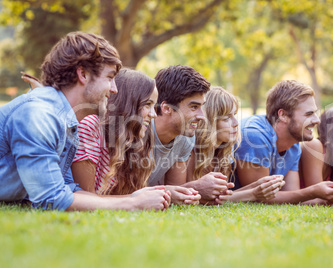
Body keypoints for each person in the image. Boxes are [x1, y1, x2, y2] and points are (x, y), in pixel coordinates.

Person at [0, 32, 170, 211]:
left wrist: (134, 196)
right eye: (110, 78)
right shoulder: (40, 115)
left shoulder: (66, 123)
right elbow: (51, 199)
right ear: (83, 74)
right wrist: (133, 204)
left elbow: (69, 190)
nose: (115, 89)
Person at [70, 68, 197, 205]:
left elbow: (130, 195)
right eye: (148, 105)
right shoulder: (92, 127)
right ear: (128, 103)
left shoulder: (136, 139)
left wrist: (163, 192)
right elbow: (86, 197)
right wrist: (135, 200)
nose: (153, 114)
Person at [234, 80, 333, 205]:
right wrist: (313, 191)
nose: (317, 120)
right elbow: (260, 197)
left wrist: (331, 201)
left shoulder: (293, 145)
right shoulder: (255, 136)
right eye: (309, 114)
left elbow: (292, 196)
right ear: (283, 115)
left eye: (315, 113)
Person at [148, 65, 233, 203]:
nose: (202, 116)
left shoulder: (185, 139)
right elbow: (125, 192)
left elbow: (177, 192)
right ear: (167, 108)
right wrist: (196, 187)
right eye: (194, 107)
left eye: (201, 107)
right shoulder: (140, 131)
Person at [187, 87, 285, 204]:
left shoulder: (224, 150)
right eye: (227, 118)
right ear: (210, 123)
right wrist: (253, 193)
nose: (236, 123)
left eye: (234, 115)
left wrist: (259, 185)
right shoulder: (191, 149)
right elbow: (201, 200)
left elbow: (222, 197)